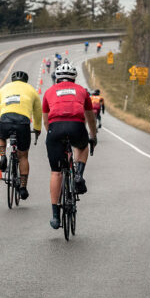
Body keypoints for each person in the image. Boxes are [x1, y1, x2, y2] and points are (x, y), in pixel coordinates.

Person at [42, 62, 97, 230]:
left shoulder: (49, 92)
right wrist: (93, 136)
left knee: (56, 172)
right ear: (74, 78)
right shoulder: (82, 91)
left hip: (55, 128)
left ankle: (55, 217)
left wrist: (53, 135)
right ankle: (79, 175)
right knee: (83, 146)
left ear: (56, 78)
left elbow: (45, 121)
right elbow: (90, 118)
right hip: (76, 126)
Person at [0, 69, 43, 200]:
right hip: (22, 123)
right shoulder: (31, 89)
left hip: (5, 119)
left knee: (0, 137)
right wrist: (37, 128)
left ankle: (3, 155)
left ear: (13, 80)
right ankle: (22, 187)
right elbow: (38, 112)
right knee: (23, 156)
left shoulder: (4, 89)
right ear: (25, 81)